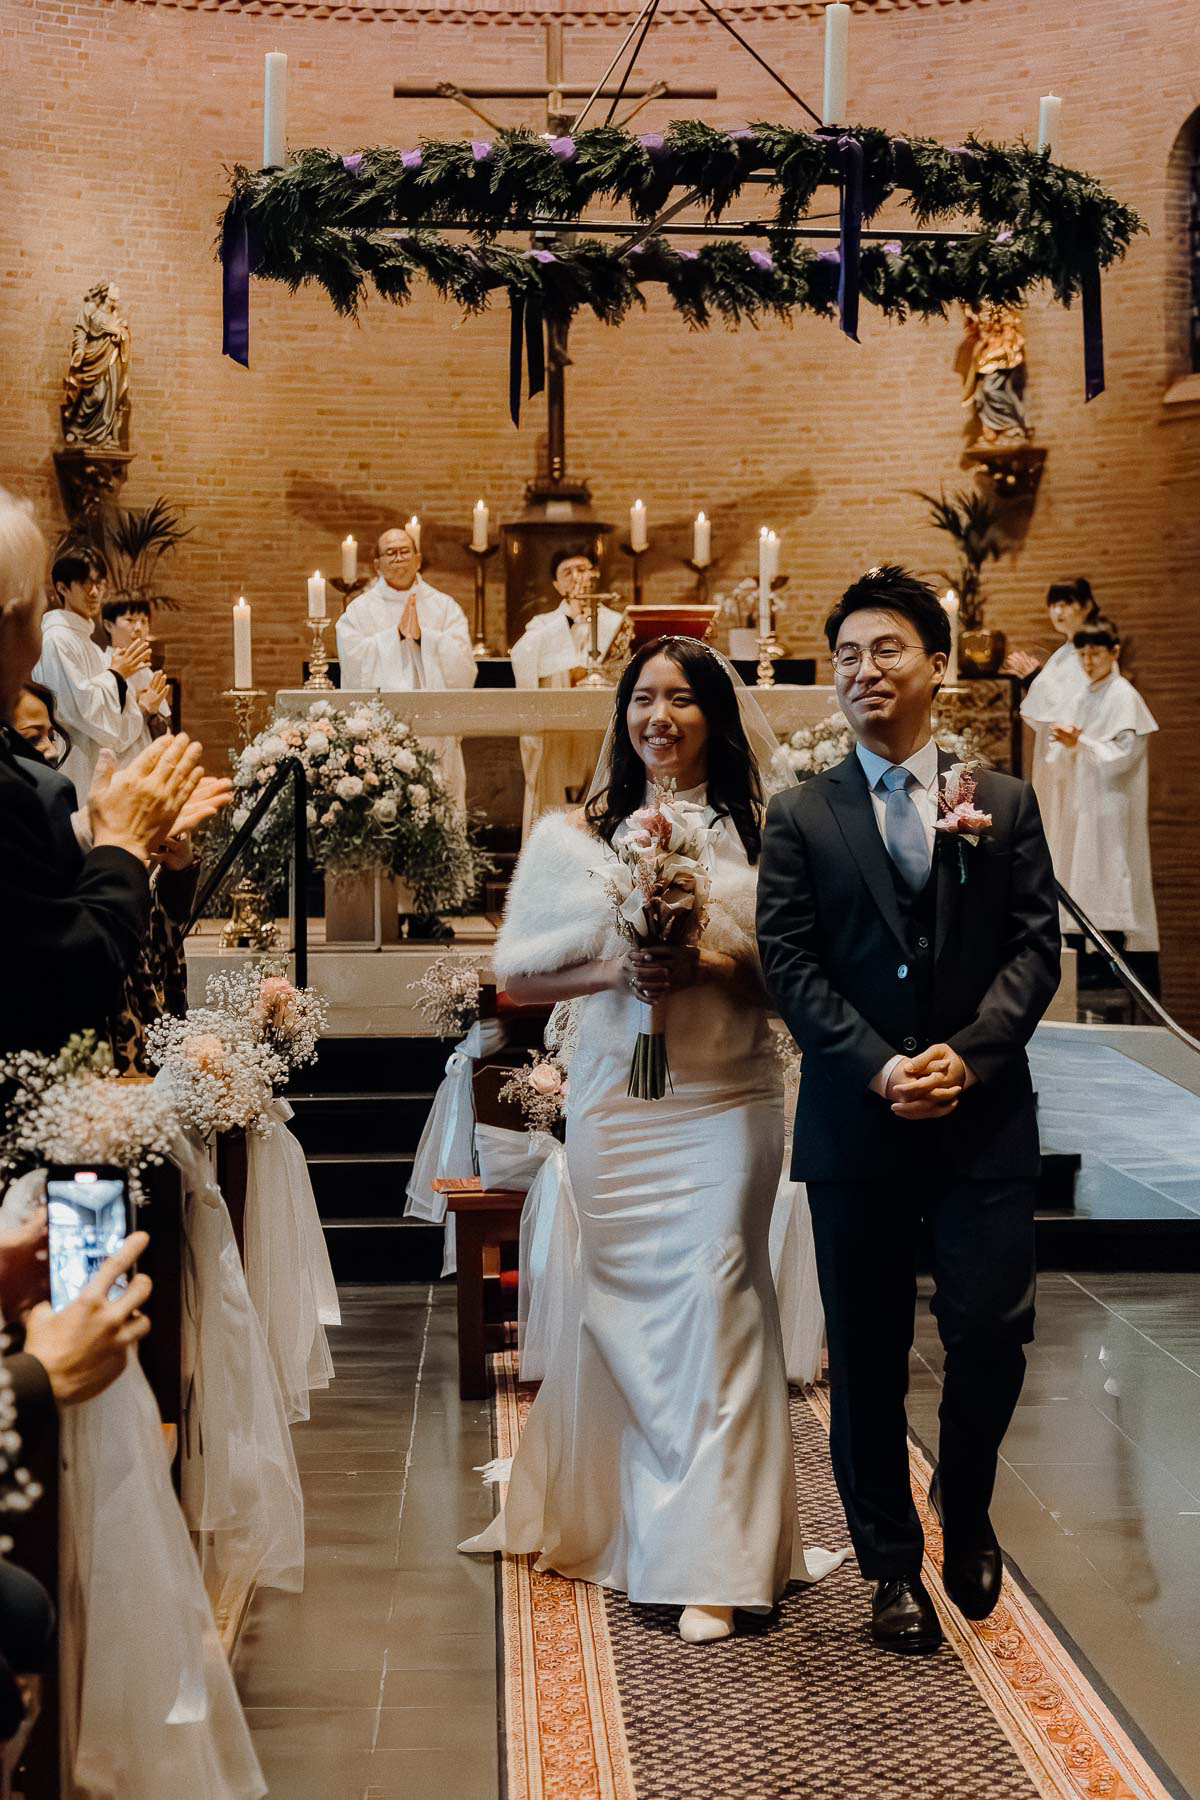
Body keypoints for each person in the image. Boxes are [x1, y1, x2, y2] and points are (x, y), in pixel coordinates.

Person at [460, 636, 845, 1643]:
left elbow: (800, 982)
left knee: (720, 1297)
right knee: (629, 1318)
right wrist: (618, 968)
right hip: (621, 1111)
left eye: (682, 698)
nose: (660, 716)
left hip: (725, 1105)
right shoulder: (575, 839)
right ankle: (642, 1524)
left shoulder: (772, 838)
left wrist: (711, 961)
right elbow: (521, 974)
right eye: (644, 699)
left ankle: (713, 1559)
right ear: (622, 716)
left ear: (715, 713)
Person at [756, 566, 1060, 1655]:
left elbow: (1036, 950)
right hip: (858, 1124)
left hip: (982, 1122)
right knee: (870, 1358)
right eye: (844, 656)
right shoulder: (801, 816)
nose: (862, 671)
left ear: (938, 663)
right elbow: (790, 964)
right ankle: (890, 1567)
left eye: (886, 650)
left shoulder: (1002, 801)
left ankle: (966, 1505)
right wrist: (881, 1068)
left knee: (992, 1331)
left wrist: (968, 1059)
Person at [0, 489, 226, 1053]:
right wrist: (120, 844)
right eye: (32, 613)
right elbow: (65, 973)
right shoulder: (61, 645)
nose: (34, 654)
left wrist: (84, 833)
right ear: (10, 620)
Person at [335, 525, 476, 810]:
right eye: (390, 553)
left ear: (418, 559)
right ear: (377, 565)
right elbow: (352, 659)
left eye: (404, 551)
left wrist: (426, 638)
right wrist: (395, 637)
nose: (398, 558)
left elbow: (464, 666)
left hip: (434, 728)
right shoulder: (360, 610)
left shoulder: (444, 606)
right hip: (382, 728)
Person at [1048, 617, 1159, 960]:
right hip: (1083, 802)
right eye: (1082, 654)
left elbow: (1124, 754)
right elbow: (1061, 753)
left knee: (1109, 868)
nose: (1088, 662)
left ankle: (1112, 948)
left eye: (1095, 653)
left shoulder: (1124, 696)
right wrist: (1068, 746)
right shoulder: (1083, 695)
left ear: (1114, 652)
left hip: (1112, 804)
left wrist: (1080, 741)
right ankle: (1086, 947)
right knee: (1078, 869)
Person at [510, 547, 628, 840]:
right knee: (555, 807)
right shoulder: (544, 624)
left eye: (584, 569)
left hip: (602, 731)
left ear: (595, 575)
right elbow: (523, 655)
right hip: (558, 732)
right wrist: (568, 621)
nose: (577, 577)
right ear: (556, 585)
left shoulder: (616, 622)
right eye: (568, 572)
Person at [34, 551, 168, 798]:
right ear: (62, 588)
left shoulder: (89, 646)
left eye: (100, 583)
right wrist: (116, 674)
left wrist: (140, 707)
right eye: (85, 583)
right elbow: (77, 710)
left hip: (96, 763)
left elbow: (116, 732)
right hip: (73, 762)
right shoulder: (57, 640)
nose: (94, 592)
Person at [1009, 578, 1098, 880]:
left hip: (1071, 757)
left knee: (1066, 829)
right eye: (1054, 604)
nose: (1058, 611)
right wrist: (1034, 679)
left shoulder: (1089, 651)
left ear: (1086, 606)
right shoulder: (1064, 653)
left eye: (1067, 603)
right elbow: (1047, 707)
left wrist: (1034, 677)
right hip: (1051, 755)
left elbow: (1077, 705)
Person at [102, 593, 172, 750]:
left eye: (144, 621)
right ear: (108, 625)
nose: (139, 628)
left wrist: (154, 713)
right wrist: (143, 707)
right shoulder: (102, 667)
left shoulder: (146, 671)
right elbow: (107, 732)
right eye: (130, 620)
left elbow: (164, 730)